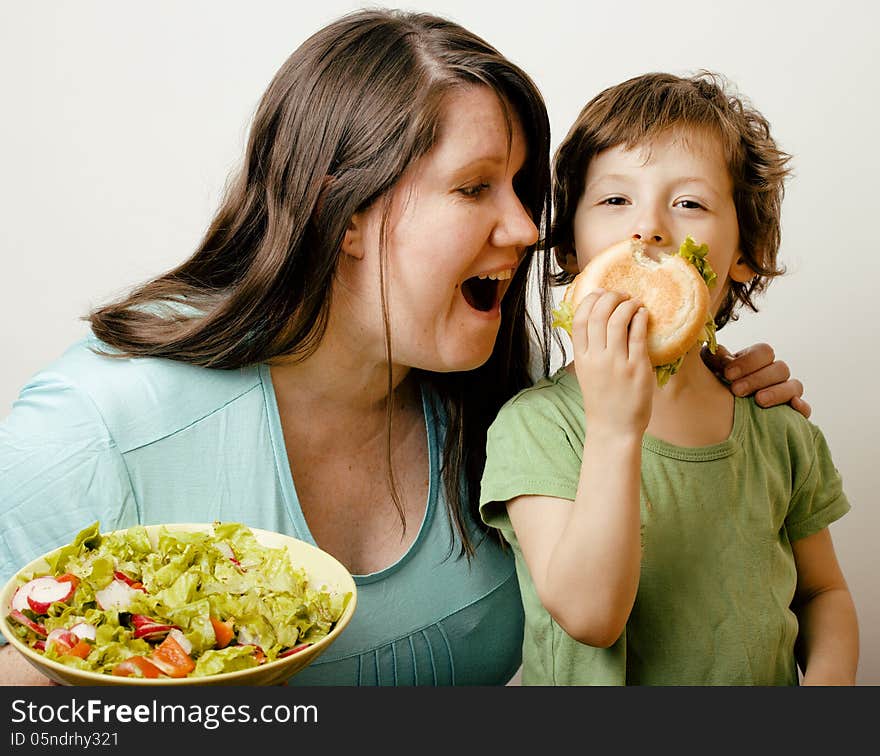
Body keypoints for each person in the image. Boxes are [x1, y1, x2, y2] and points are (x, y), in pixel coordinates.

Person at [1, 12, 808, 686]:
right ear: (342, 211)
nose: (529, 231)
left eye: (524, 191)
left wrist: (717, 407)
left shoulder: (497, 397)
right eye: (474, 187)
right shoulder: (90, 433)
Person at [479, 72, 859, 685]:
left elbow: (822, 593)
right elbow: (590, 616)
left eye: (689, 203)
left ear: (742, 254)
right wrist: (614, 427)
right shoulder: (537, 426)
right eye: (614, 200)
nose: (648, 228)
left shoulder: (777, 426)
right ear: (570, 251)